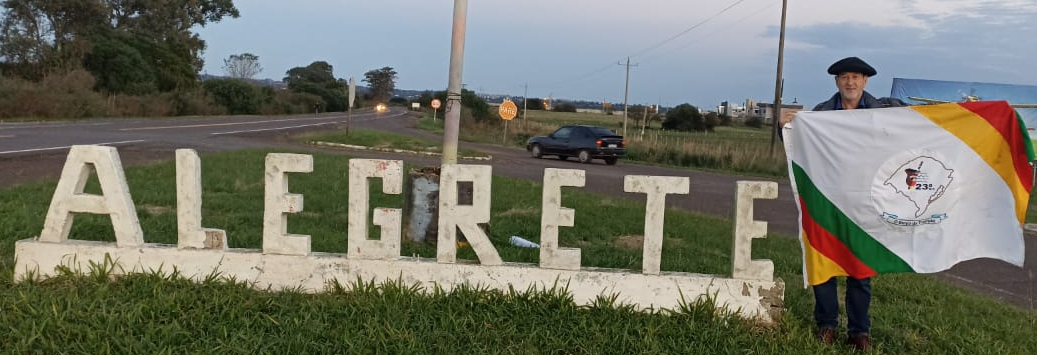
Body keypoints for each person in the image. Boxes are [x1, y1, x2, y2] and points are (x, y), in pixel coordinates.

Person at [780, 56, 903, 352]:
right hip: (826, 199)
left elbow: (908, 133)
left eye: (856, 77)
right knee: (824, 262)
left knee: (860, 268)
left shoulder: (882, 112)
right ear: (836, 82)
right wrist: (784, 126)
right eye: (844, 77)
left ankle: (859, 331)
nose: (850, 82)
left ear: (865, 81)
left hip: (866, 201)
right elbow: (796, 143)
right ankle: (827, 325)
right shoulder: (821, 114)